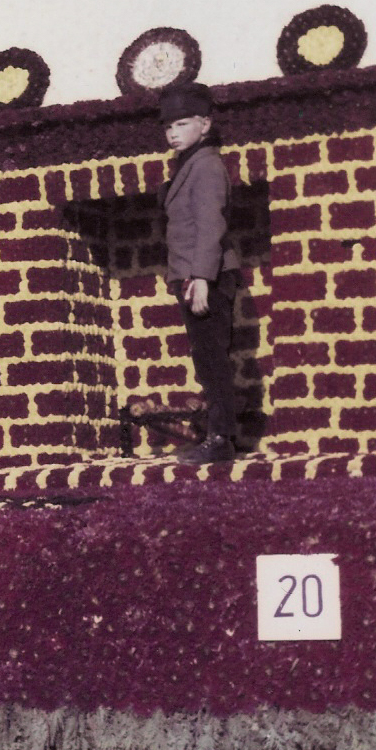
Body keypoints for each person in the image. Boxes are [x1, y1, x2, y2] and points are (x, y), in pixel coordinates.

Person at [158, 82, 240, 464]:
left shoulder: (206, 165)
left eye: (182, 124)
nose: (173, 133)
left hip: (206, 278)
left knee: (212, 361)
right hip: (194, 276)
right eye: (168, 126)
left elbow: (211, 226)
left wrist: (203, 279)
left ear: (205, 125)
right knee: (206, 360)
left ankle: (221, 440)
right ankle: (217, 436)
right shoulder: (190, 165)